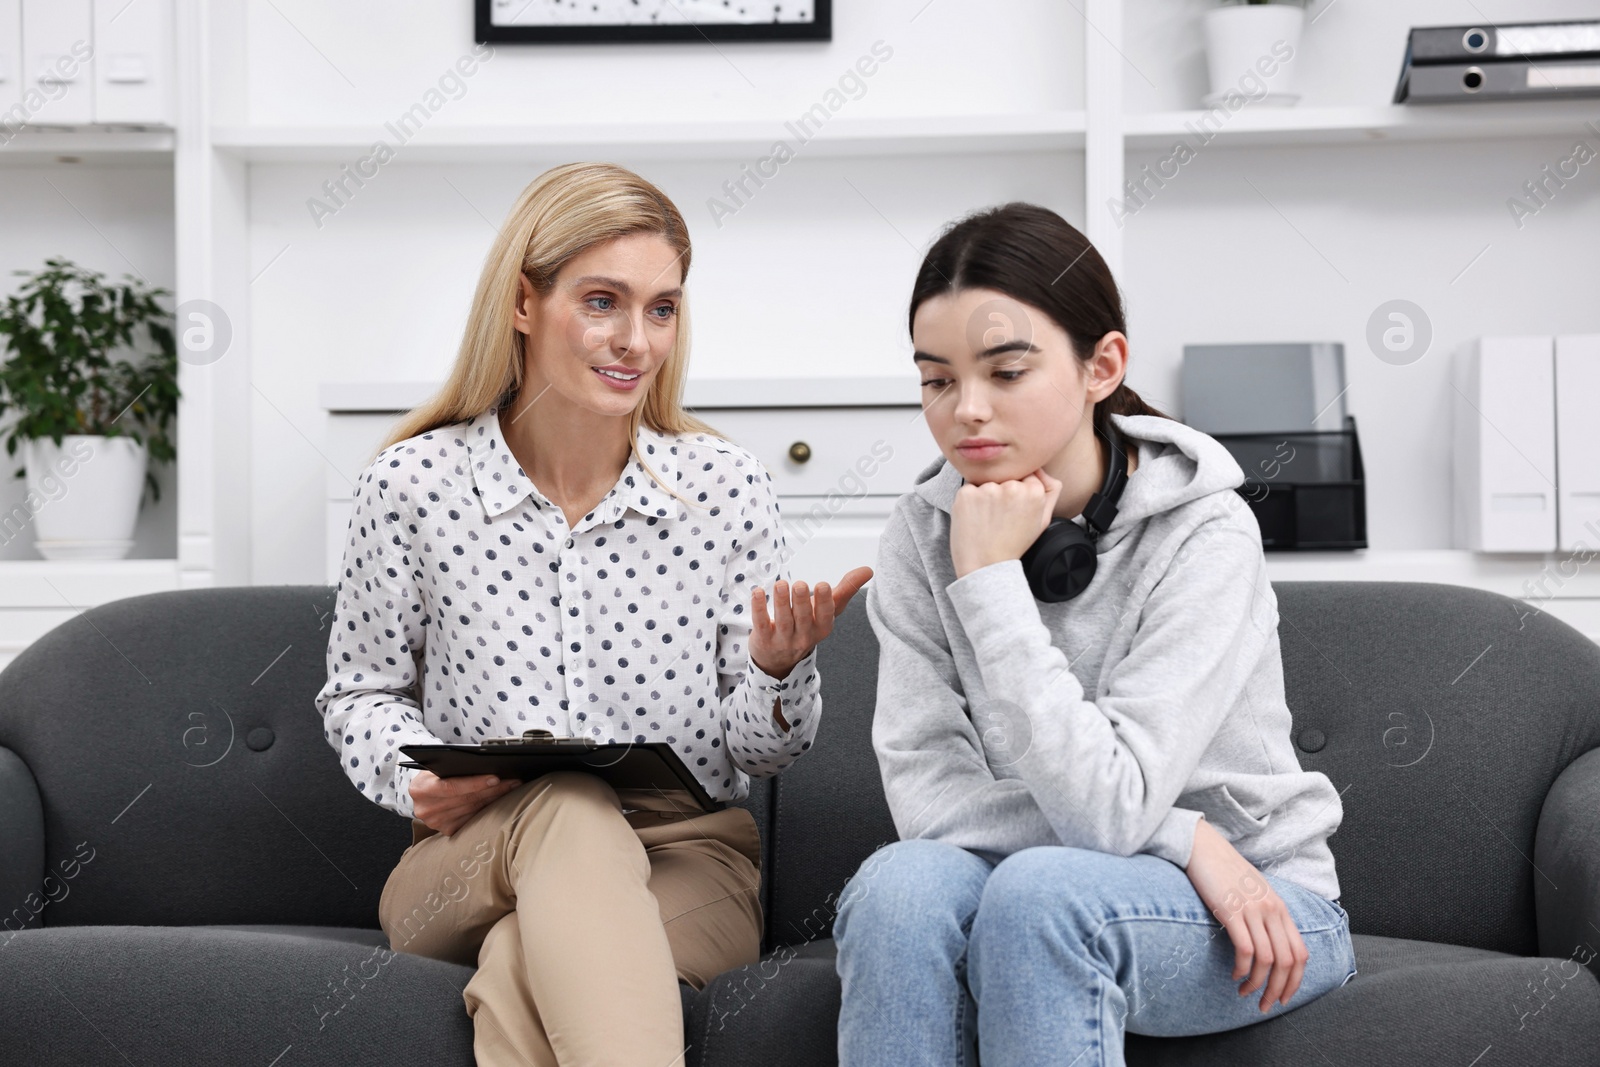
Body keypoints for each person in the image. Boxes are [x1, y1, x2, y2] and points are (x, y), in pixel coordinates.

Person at [314, 161, 871, 1067]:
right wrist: (411, 777)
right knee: (566, 805)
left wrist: (778, 673)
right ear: (525, 302)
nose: (636, 340)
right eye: (603, 301)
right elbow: (359, 693)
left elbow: (761, 753)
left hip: (686, 857)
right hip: (470, 856)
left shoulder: (723, 488)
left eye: (662, 308)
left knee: (522, 960)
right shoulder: (413, 485)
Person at [832, 202, 1356, 1066]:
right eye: (937, 380)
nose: (967, 411)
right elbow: (928, 802)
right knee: (899, 886)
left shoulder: (1203, 532)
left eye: (1006, 372)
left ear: (1101, 365)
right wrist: (1186, 838)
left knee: (1043, 896)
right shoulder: (922, 533)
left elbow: (1112, 807)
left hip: (1256, 900)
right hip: (1074, 874)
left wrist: (994, 581)